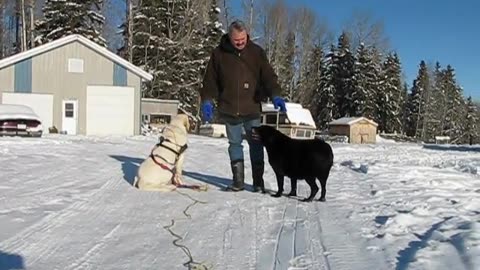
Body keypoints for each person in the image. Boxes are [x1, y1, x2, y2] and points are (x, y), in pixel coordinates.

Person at [199, 20, 287, 192]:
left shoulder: (256, 53)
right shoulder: (219, 54)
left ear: (246, 35)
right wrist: (207, 100)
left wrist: (276, 95)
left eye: (243, 39)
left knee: (256, 145)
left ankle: (258, 182)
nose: (240, 43)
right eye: (236, 40)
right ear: (229, 38)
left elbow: (269, 77)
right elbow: (210, 80)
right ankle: (238, 181)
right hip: (229, 108)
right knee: (234, 144)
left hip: (252, 109)